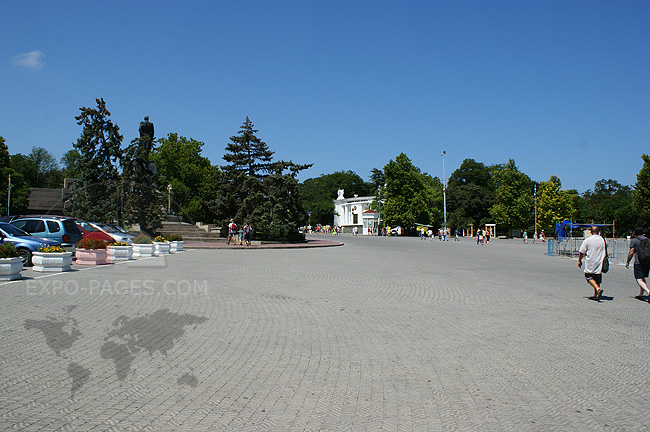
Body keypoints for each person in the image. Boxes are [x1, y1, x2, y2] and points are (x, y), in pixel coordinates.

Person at [578, 226, 607, 301]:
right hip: (600, 260)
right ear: (598, 231)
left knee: (588, 277)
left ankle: (597, 289)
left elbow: (582, 251)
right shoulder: (602, 240)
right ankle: (596, 294)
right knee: (597, 278)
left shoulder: (588, 240)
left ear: (591, 232)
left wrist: (579, 260)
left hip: (591, 261)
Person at [625, 227, 650, 301]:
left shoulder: (634, 240)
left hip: (638, 261)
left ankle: (648, 291)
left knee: (639, 278)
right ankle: (641, 294)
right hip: (647, 261)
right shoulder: (648, 239)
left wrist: (627, 261)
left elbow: (631, 252)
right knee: (642, 278)